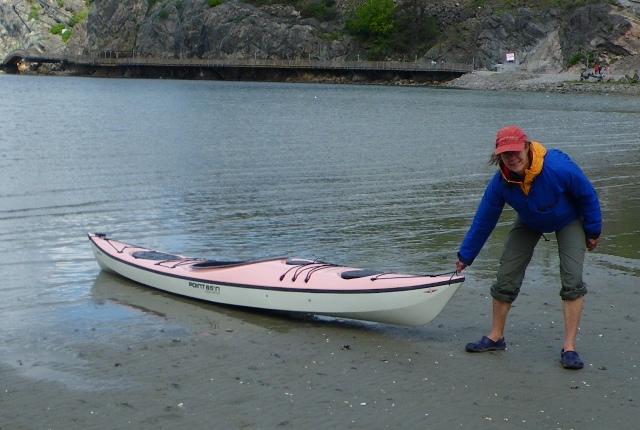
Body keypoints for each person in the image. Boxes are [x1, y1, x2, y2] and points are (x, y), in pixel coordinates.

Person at [455, 126, 602, 370]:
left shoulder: (557, 168)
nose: (512, 158)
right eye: (505, 154)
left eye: (516, 151)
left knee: (572, 281)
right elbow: (484, 220)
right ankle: (496, 336)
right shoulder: (501, 182)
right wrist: (465, 255)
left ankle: (569, 348)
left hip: (568, 219)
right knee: (506, 276)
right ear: (498, 155)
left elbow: (587, 195)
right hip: (530, 220)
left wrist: (594, 231)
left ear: (526, 147)